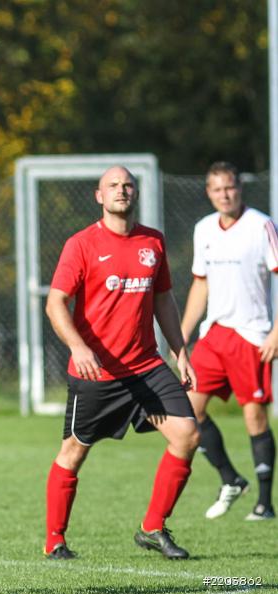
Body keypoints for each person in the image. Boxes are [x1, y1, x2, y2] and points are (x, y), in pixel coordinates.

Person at [43, 166, 200, 560]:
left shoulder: (154, 242)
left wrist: (180, 352)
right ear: (99, 196)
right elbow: (55, 303)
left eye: (127, 185)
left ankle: (153, 528)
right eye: (113, 185)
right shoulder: (81, 244)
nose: (121, 190)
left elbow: (163, 299)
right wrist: (79, 347)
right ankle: (54, 541)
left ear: (135, 193)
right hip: (97, 374)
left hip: (146, 367)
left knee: (187, 435)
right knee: (73, 453)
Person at [179, 161, 277, 521]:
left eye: (230, 188)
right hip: (214, 335)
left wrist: (276, 333)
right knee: (188, 410)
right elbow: (200, 284)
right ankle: (231, 478)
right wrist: (183, 335)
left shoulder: (261, 225)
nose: (224, 195)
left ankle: (265, 503)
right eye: (217, 189)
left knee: (254, 418)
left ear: (240, 188)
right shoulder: (203, 229)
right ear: (208, 192)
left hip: (252, 336)